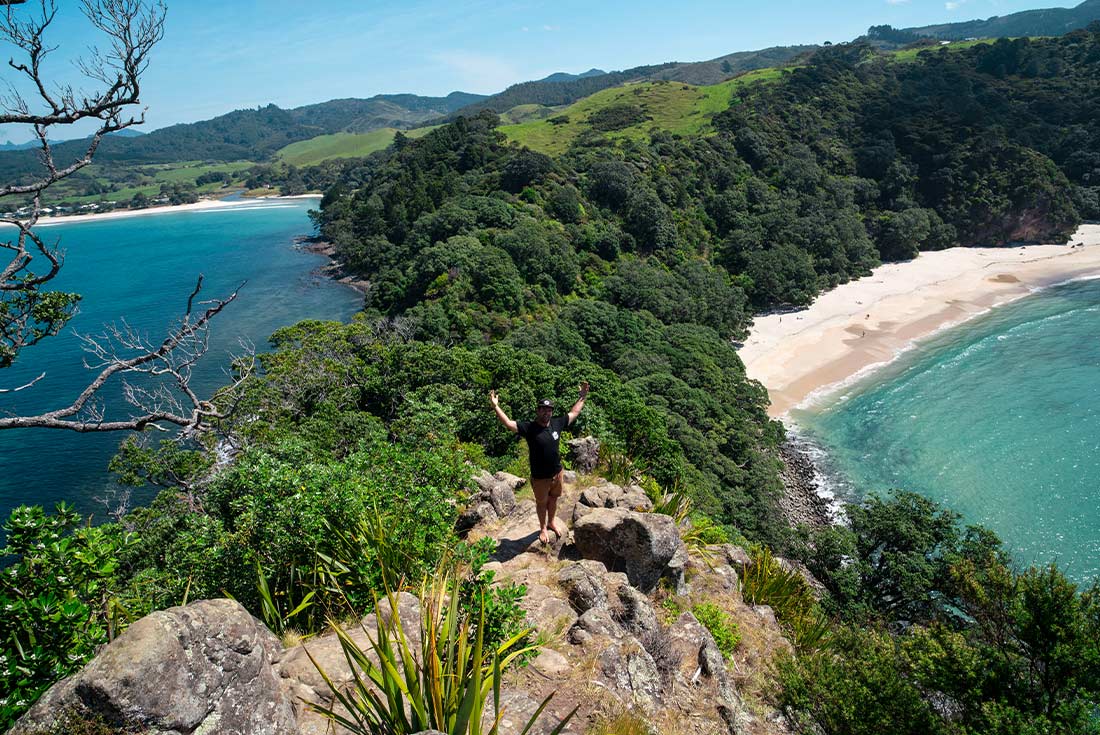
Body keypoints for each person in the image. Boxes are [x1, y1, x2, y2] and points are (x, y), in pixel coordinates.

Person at [489, 382, 589, 544]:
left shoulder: (557, 423)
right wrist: (496, 407)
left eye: (549, 410)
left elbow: (574, 412)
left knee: (554, 499)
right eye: (543, 409)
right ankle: (543, 528)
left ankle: (551, 522)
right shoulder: (529, 427)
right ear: (538, 411)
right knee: (542, 503)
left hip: (557, 473)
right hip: (540, 477)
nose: (546, 413)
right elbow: (508, 423)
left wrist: (582, 396)